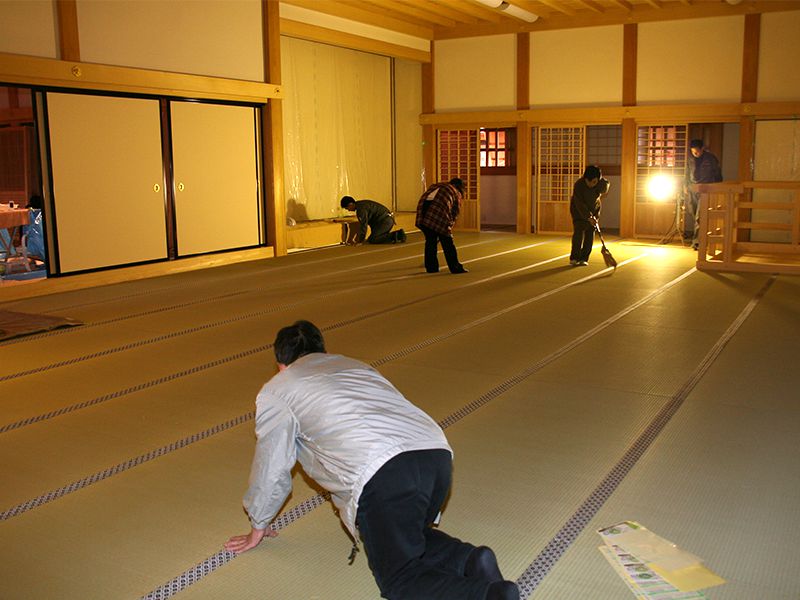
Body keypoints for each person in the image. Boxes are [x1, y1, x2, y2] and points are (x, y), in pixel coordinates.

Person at [225, 320, 519, 600]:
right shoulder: (355, 366)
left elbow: (272, 463)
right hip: (436, 455)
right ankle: (470, 561)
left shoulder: (278, 389)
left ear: (280, 365)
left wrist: (258, 524)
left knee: (399, 578)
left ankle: (487, 595)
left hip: (384, 473)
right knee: (403, 535)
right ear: (322, 351)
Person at [415, 178, 468, 274]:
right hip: (438, 214)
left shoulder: (437, 186)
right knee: (448, 244)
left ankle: (431, 268)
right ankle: (455, 267)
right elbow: (455, 213)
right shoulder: (455, 192)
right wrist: (448, 228)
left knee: (430, 242)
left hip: (423, 214)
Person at [685, 139, 722, 249]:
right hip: (693, 188)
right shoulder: (690, 159)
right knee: (693, 212)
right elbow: (686, 173)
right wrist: (685, 186)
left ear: (702, 149)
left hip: (706, 189)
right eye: (693, 152)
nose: (695, 154)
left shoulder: (711, 158)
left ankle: (698, 242)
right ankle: (698, 240)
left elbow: (717, 174)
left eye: (697, 152)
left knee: (699, 216)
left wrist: (717, 188)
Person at [569, 165, 609, 266]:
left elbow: (605, 187)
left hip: (594, 209)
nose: (591, 184)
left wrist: (593, 216)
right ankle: (574, 257)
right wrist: (588, 217)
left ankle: (584, 258)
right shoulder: (579, 185)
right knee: (578, 233)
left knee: (590, 234)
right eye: (589, 182)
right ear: (585, 178)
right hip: (578, 211)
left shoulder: (601, 184)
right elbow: (579, 204)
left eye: (594, 182)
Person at [340, 196, 406, 244]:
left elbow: (364, 225)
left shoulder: (361, 209)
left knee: (374, 239)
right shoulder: (361, 204)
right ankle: (389, 236)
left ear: (350, 204)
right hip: (386, 220)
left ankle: (397, 235)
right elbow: (372, 222)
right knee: (372, 238)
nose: (348, 210)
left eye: (347, 208)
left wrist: (360, 241)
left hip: (385, 221)